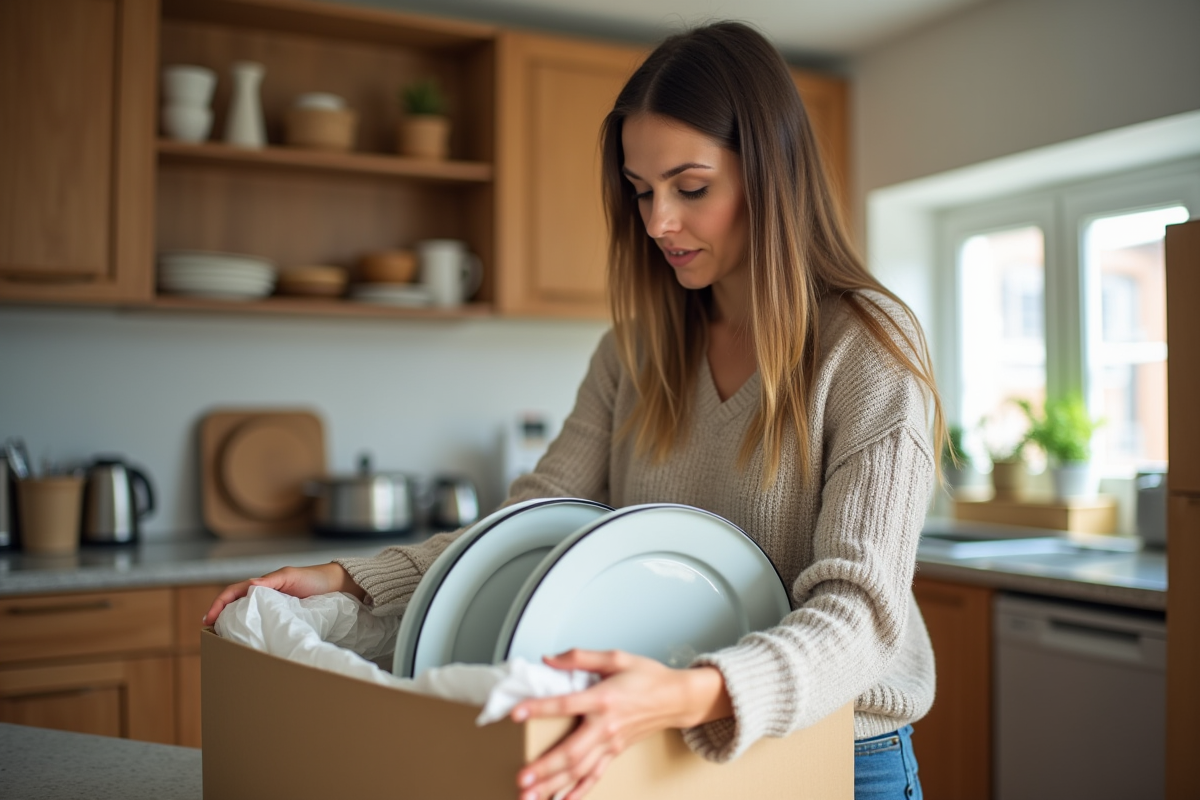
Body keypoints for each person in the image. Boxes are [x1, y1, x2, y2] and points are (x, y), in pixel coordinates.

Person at [205, 21, 943, 800]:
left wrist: (688, 692)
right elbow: (526, 529)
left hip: (840, 752)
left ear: (772, 174)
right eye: (641, 191)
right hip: (666, 743)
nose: (658, 222)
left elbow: (862, 618)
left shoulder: (865, 346)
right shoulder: (636, 352)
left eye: (691, 188)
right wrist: (350, 581)